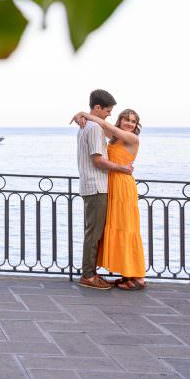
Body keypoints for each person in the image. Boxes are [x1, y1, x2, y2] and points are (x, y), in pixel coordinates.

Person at [74, 108, 146, 290]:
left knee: (128, 228)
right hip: (111, 184)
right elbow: (99, 126)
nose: (129, 123)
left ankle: (138, 278)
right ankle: (128, 273)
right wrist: (80, 117)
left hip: (123, 184)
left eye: (133, 121)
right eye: (126, 119)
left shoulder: (132, 138)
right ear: (120, 120)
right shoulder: (115, 138)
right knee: (117, 227)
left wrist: (83, 113)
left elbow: (105, 125)